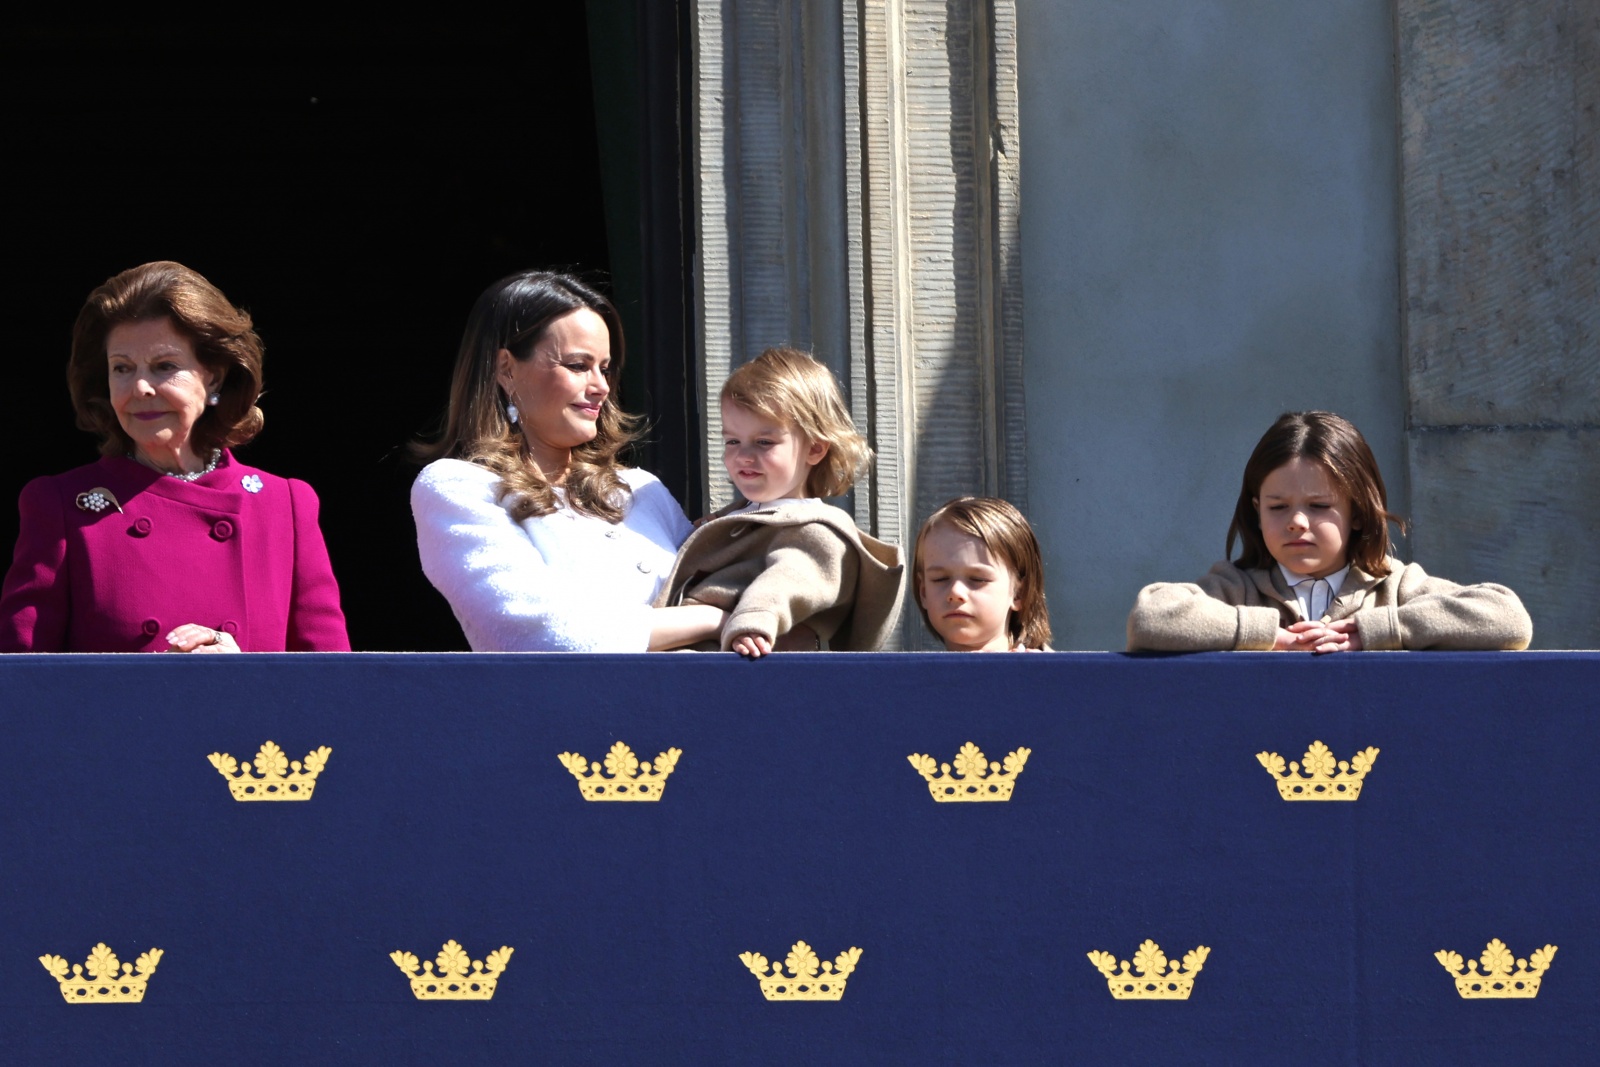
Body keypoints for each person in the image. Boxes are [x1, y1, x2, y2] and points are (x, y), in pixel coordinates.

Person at [0, 261, 349, 653]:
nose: (141, 387)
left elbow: (330, 690)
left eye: (165, 366)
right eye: (122, 368)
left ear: (214, 377)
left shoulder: (284, 505)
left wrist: (244, 676)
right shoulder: (59, 505)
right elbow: (21, 686)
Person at [411, 271, 727, 652]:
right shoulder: (457, 487)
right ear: (506, 369)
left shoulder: (642, 489)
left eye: (605, 368)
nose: (602, 386)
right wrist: (714, 619)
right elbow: (545, 637)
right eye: (578, 365)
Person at [1126, 411, 1532, 652]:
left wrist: (1379, 630)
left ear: (1357, 512)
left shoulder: (1396, 586)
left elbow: (1509, 619)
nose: (1296, 522)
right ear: (1256, 509)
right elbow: (1150, 616)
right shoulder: (1236, 588)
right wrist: (1269, 637)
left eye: (1319, 506)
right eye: (1278, 507)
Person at [654, 347, 904, 655]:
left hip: (738, 659)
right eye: (733, 441)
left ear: (815, 449)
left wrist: (753, 621)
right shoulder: (746, 516)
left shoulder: (815, 531)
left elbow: (788, 580)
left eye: (764, 442)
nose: (743, 455)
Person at [913, 497, 1053, 652]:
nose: (955, 592)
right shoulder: (910, 675)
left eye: (977, 579)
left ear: (1019, 593)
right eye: (940, 579)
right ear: (923, 592)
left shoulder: (1048, 672)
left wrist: (1043, 672)